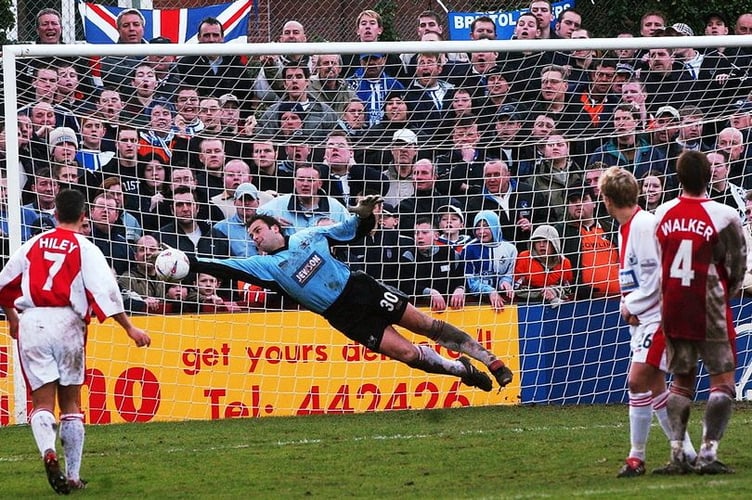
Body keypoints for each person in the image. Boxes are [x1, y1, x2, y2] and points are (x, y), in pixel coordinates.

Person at [186, 195, 514, 393]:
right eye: (251, 235)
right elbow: (226, 266)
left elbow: (350, 231)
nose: (255, 238)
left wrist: (364, 214)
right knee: (409, 355)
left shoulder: (307, 237)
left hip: (361, 289)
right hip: (343, 315)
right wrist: (193, 261)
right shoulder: (266, 266)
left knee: (426, 325)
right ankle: (462, 371)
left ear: (276, 228)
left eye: (258, 230)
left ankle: (492, 362)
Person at [0, 189, 150, 494]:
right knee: (71, 403)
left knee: (41, 403)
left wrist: (13, 318)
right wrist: (129, 328)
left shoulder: (32, 245)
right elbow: (105, 292)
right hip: (68, 322)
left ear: (54, 215)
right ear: (84, 217)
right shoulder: (85, 247)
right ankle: (72, 475)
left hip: (33, 321)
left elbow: (3, 283)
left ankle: (47, 452)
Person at [598, 167, 696, 478]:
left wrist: (630, 305)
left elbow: (656, 278)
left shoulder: (643, 225)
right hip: (645, 317)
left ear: (608, 199)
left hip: (658, 316)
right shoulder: (627, 226)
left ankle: (635, 458)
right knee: (654, 387)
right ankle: (686, 453)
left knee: (636, 380)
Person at [653, 151, 746, 474]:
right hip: (711, 306)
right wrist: (727, 291)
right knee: (722, 383)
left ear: (678, 178)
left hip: (674, 305)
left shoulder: (661, 213)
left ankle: (678, 453)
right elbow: (738, 265)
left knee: (680, 382)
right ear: (709, 177)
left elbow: (655, 262)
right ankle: (707, 454)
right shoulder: (725, 215)